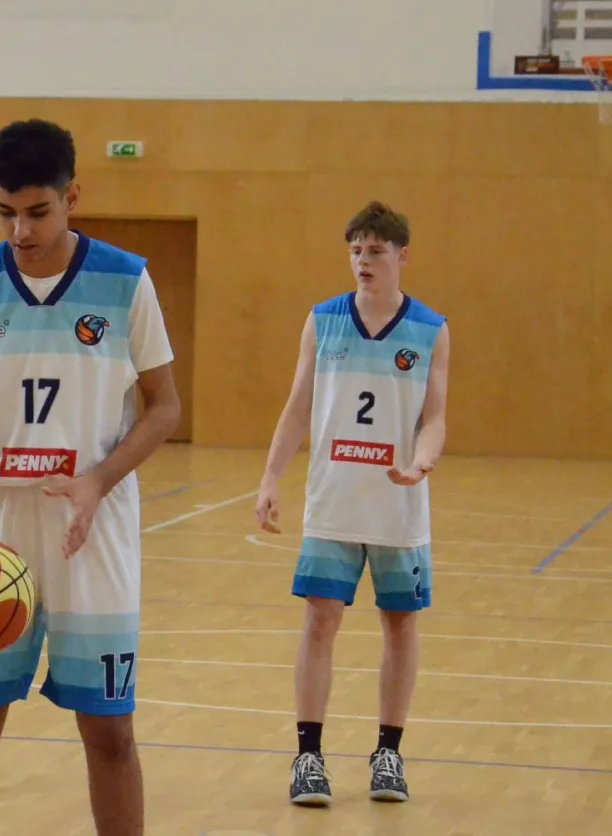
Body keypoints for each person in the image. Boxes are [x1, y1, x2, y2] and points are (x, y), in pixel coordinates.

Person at [0, 119, 181, 836]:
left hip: (92, 523)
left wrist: (99, 479)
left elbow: (165, 406)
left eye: (37, 212)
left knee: (110, 732)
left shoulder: (126, 281)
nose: (20, 231)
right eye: (4, 212)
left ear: (71, 197)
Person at [253, 200, 451, 808]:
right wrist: (270, 478)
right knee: (321, 620)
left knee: (400, 623)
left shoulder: (430, 329)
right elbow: (298, 406)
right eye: (355, 251)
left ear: (402, 256)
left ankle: (389, 752)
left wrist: (422, 462)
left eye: (375, 251)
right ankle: (308, 757)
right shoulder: (323, 321)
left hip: (398, 509)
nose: (363, 261)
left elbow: (435, 416)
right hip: (333, 504)